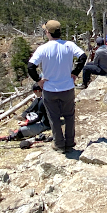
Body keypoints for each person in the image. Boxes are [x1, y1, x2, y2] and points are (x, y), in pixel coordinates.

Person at [27, 20, 87, 152]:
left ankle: (59, 144)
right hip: (67, 87)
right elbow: (83, 57)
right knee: (69, 116)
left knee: (53, 117)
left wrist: (38, 80)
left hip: (50, 89)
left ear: (48, 32)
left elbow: (31, 67)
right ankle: (70, 142)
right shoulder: (69, 45)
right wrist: (75, 73)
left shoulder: (42, 49)